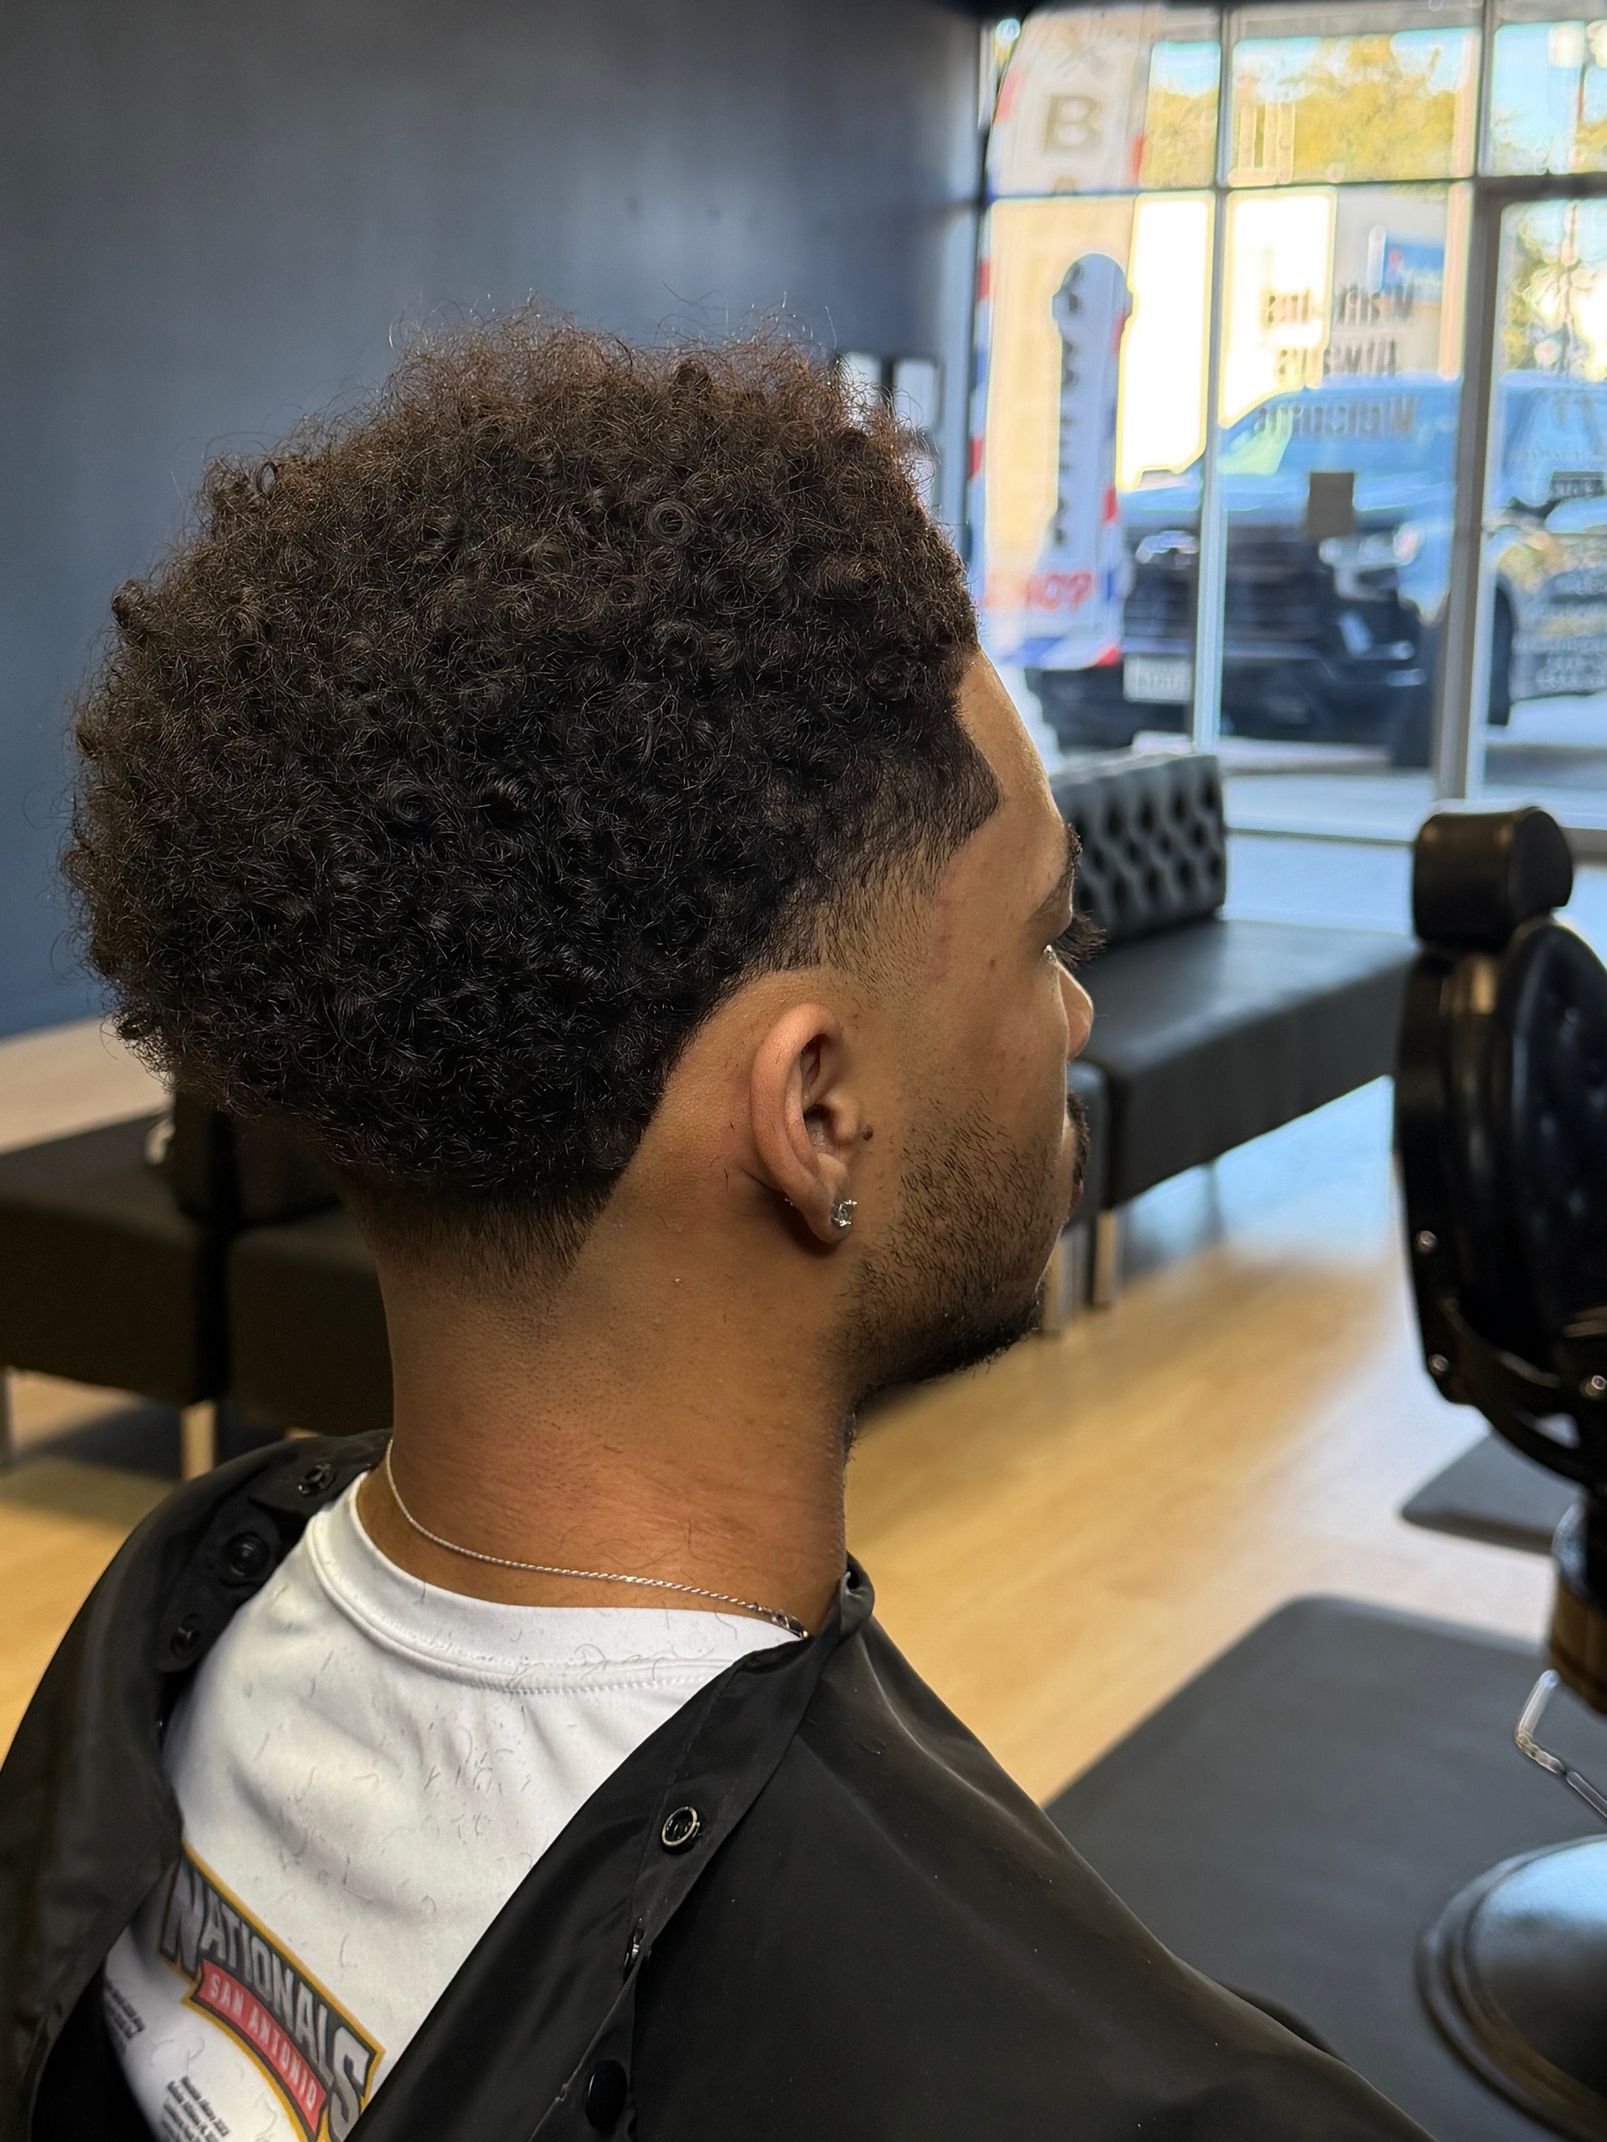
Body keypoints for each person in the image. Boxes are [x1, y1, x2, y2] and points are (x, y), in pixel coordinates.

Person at [0, 318, 1429, 2141]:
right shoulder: (1161, 2102)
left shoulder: (164, 1621)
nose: (1072, 1016)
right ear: (817, 1105)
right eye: (1039, 942)